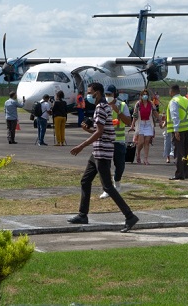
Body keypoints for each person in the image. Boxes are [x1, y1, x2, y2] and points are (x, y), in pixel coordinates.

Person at [68, 82, 139, 232]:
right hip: (99, 151)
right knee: (85, 181)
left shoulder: (101, 107)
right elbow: (103, 131)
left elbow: (100, 132)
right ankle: (83, 214)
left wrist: (81, 146)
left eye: (90, 92)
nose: (88, 95)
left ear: (97, 93)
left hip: (102, 152)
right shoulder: (105, 107)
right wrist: (89, 130)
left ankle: (129, 216)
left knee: (107, 186)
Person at [99, 85, 132, 199]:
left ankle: (117, 181)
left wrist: (118, 112)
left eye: (110, 95)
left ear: (115, 95)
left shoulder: (122, 105)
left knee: (120, 166)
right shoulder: (102, 106)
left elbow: (128, 121)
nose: (108, 97)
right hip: (106, 141)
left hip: (119, 141)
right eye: (106, 95)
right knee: (105, 166)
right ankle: (107, 189)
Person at [165, 84, 188, 180]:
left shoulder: (173, 101)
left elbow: (175, 116)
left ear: (172, 92)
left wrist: (176, 130)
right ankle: (185, 172)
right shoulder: (185, 99)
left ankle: (179, 174)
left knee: (179, 152)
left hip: (179, 129)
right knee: (185, 151)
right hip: (187, 128)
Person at [130, 88, 159, 165]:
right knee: (141, 142)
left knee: (147, 142)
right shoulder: (138, 104)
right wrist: (132, 125)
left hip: (148, 124)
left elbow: (155, 112)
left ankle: (145, 158)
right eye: (143, 95)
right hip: (141, 124)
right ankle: (138, 153)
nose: (145, 96)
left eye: (146, 94)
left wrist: (160, 120)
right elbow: (135, 115)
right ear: (141, 96)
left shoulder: (151, 104)